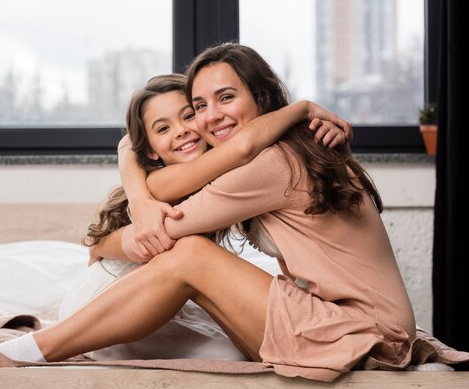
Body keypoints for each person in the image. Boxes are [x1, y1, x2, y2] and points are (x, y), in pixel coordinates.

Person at [0, 43, 402, 383]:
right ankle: (39, 347)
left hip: (363, 335)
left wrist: (105, 237)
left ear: (261, 98)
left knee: (191, 255)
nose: (209, 118)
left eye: (226, 98)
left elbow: (164, 232)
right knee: (194, 266)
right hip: (343, 325)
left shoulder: (273, 162)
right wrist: (130, 170)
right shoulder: (288, 148)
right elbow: (164, 188)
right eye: (200, 105)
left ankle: (32, 351)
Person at [54, 73, 349, 361]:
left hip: (158, 295)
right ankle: (45, 346)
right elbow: (241, 147)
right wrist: (302, 109)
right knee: (228, 352)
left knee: (233, 322)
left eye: (188, 116)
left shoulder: (227, 177)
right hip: (106, 300)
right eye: (163, 129)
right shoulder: (166, 181)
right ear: (151, 150)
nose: (181, 130)